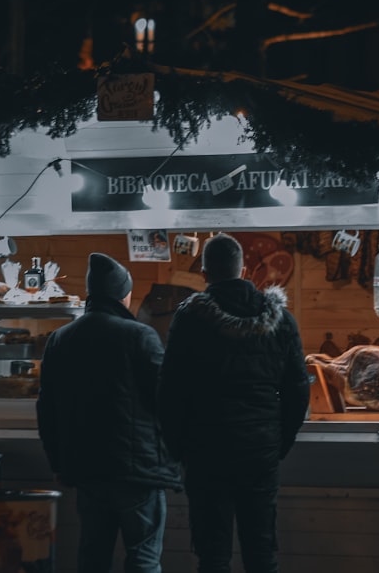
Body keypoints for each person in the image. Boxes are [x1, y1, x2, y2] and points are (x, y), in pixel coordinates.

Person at [158, 233, 310, 573]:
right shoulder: (282, 321)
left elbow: (169, 391)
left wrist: (179, 448)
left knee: (212, 556)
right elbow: (298, 391)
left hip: (205, 450)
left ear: (206, 272)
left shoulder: (189, 318)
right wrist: (277, 442)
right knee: (261, 553)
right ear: (243, 269)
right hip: (259, 451)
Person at [37, 252, 181, 573]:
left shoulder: (60, 339)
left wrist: (58, 461)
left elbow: (46, 408)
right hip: (137, 471)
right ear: (123, 295)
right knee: (143, 557)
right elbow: (167, 399)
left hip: (87, 470)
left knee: (93, 557)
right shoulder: (139, 336)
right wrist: (176, 454)